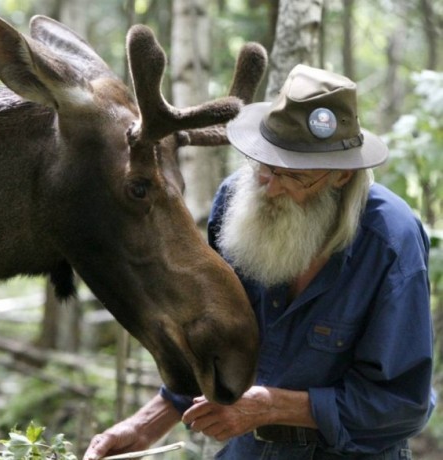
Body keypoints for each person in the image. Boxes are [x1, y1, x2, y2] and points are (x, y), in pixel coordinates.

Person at [83, 64, 435, 459]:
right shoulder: (237, 201)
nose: (269, 185)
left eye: (293, 175)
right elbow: (216, 337)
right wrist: (147, 424)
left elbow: (401, 406)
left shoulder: (390, 241)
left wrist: (270, 406)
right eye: (264, 164)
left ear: (340, 177)